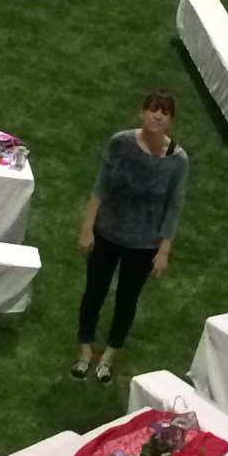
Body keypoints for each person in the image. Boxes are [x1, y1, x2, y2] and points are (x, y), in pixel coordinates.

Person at [71, 90, 188, 383]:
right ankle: (84, 350)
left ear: (171, 119)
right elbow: (101, 186)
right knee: (94, 291)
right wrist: (87, 227)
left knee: (127, 300)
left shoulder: (178, 161)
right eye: (153, 109)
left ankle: (109, 356)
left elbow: (173, 206)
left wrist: (163, 250)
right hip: (107, 232)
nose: (157, 116)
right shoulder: (120, 143)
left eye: (164, 112)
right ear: (142, 112)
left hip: (144, 243)